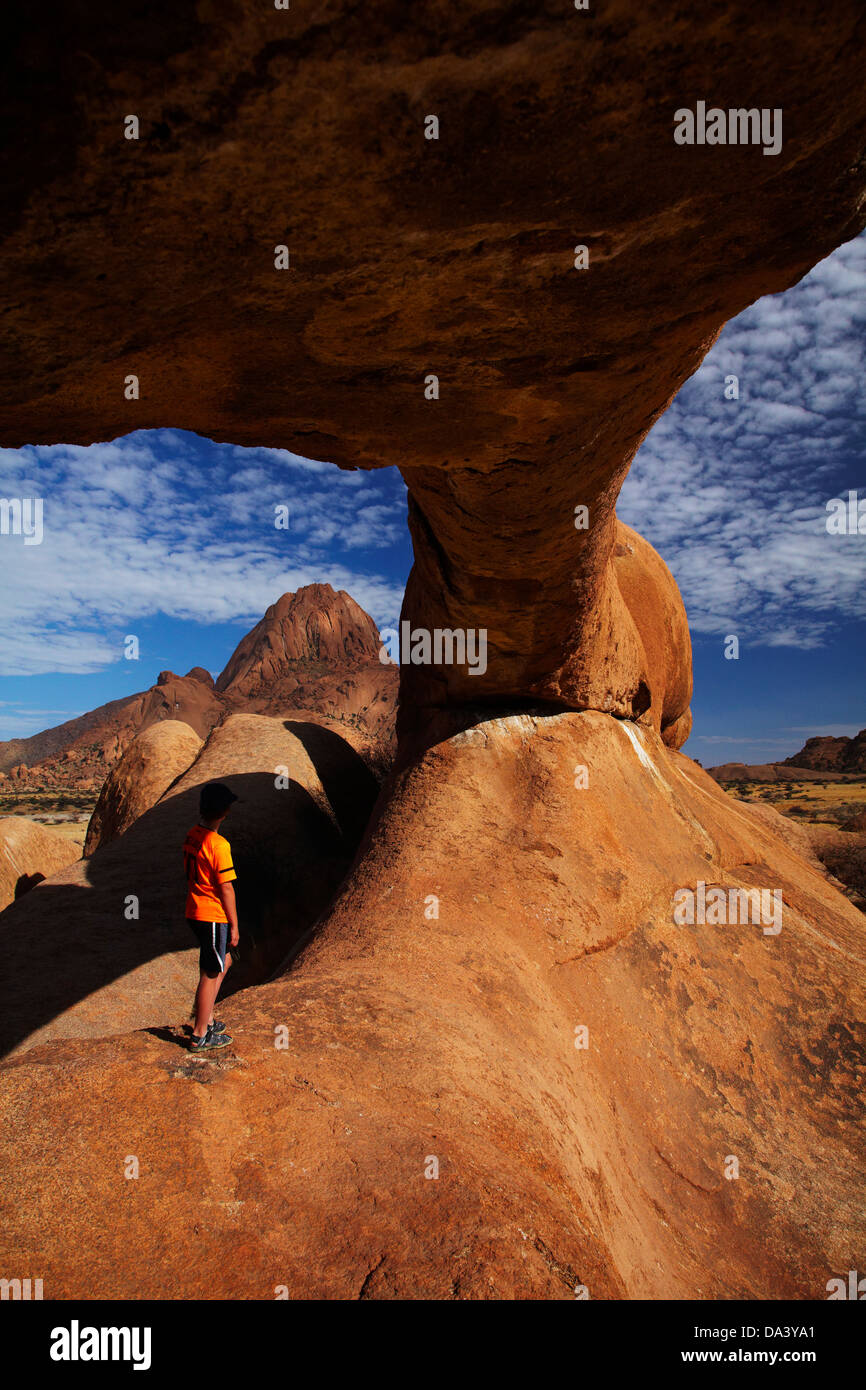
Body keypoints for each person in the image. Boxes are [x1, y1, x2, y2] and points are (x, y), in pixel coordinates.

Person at [183, 781, 240, 1051]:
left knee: (223, 961)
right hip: (212, 914)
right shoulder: (219, 845)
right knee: (211, 971)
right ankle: (200, 1034)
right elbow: (226, 888)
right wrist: (235, 926)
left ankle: (207, 1018)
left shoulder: (192, 835)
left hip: (194, 909)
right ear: (226, 811)